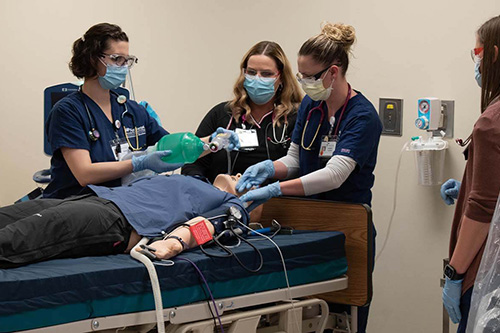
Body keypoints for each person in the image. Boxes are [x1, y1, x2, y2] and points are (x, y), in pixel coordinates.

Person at [236, 22, 382, 332]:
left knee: (344, 318)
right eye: (300, 76)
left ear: (333, 71)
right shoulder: (311, 106)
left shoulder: (363, 116)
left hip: (347, 225)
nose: (304, 83)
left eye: (310, 77)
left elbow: (333, 176)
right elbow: (294, 160)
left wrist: (274, 189)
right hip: (306, 222)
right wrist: (267, 169)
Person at [44, 23, 238, 199]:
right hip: (76, 203)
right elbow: (84, 174)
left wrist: (214, 141)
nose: (124, 67)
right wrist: (139, 163)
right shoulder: (68, 111)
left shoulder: (132, 110)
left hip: (121, 202)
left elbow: (173, 150)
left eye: (127, 60)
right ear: (92, 59)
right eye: (116, 59)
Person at [0, 174, 249, 268]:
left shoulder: (231, 203)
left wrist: (175, 243)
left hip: (116, 220)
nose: (238, 174)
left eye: (245, 178)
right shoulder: (193, 179)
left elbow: (211, 225)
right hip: (95, 199)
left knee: (17, 237)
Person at [439, 15, 500, 332]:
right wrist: (468, 186)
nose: (475, 64)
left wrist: (454, 273)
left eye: (476, 54)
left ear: (492, 55)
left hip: (486, 279)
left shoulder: (491, 122)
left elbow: (483, 210)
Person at [181, 41, 302, 183]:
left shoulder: (296, 117)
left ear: (281, 78)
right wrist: (204, 189)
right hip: (220, 198)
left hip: (276, 201)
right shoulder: (222, 114)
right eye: (251, 72)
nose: (257, 79)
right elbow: (192, 162)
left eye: (266, 74)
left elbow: (301, 167)